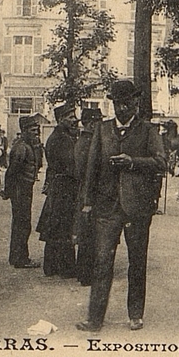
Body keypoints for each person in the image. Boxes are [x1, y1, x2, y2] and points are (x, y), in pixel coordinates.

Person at [76, 79, 166, 332]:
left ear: (136, 103)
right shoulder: (102, 130)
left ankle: (135, 314)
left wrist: (133, 162)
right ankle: (94, 319)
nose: (122, 108)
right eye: (118, 103)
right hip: (106, 206)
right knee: (102, 260)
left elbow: (161, 163)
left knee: (137, 261)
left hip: (137, 207)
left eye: (127, 103)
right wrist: (87, 202)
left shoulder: (148, 131)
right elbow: (92, 167)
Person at [37, 103, 80, 278]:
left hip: (61, 185)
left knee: (56, 226)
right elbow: (71, 163)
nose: (74, 120)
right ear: (61, 119)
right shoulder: (60, 139)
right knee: (62, 225)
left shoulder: (62, 136)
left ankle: (52, 265)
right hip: (64, 186)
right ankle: (65, 267)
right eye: (70, 117)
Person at [4, 114, 43, 268]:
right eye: (33, 130)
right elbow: (12, 171)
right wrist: (8, 190)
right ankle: (21, 259)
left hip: (24, 189)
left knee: (21, 223)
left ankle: (16, 257)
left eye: (37, 130)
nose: (36, 133)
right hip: (21, 189)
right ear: (24, 131)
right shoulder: (22, 148)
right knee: (22, 224)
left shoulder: (28, 146)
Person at [74, 107, 102, 286]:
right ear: (91, 124)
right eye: (98, 121)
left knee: (89, 233)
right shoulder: (87, 143)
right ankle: (86, 274)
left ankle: (85, 272)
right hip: (89, 191)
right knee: (89, 233)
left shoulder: (84, 141)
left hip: (86, 190)